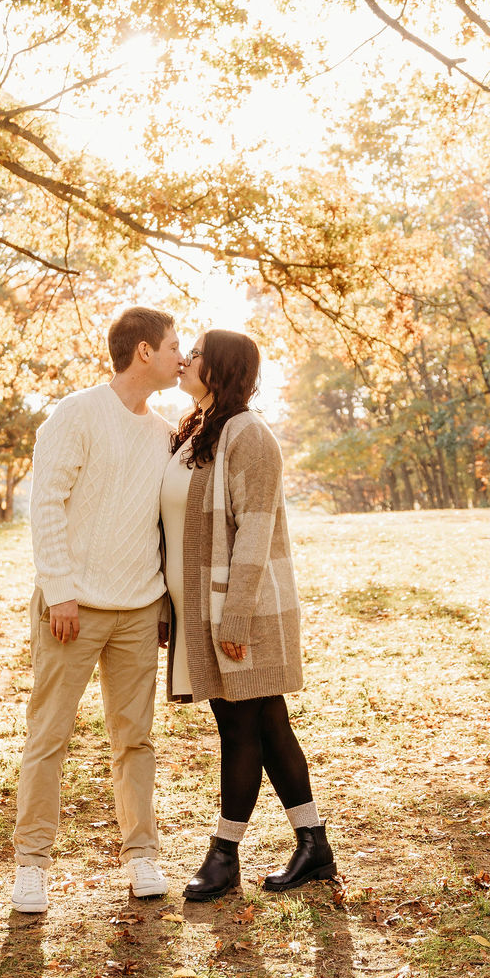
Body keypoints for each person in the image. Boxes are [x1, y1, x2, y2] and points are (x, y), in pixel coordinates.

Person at [11, 307, 183, 913]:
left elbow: (160, 525)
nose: (180, 358)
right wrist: (59, 588)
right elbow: (47, 504)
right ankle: (31, 864)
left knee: (135, 739)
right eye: (172, 347)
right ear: (143, 352)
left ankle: (142, 857)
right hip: (72, 608)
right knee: (49, 735)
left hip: (138, 610)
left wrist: (161, 601)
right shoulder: (76, 412)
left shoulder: (165, 434)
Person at [160, 328, 336, 901]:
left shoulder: (249, 434)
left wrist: (233, 618)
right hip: (203, 609)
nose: (185, 360)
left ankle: (224, 854)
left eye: (198, 355)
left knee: (240, 727)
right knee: (267, 723)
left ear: (223, 368)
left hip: (244, 610)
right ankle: (313, 845)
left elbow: (254, 532)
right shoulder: (195, 432)